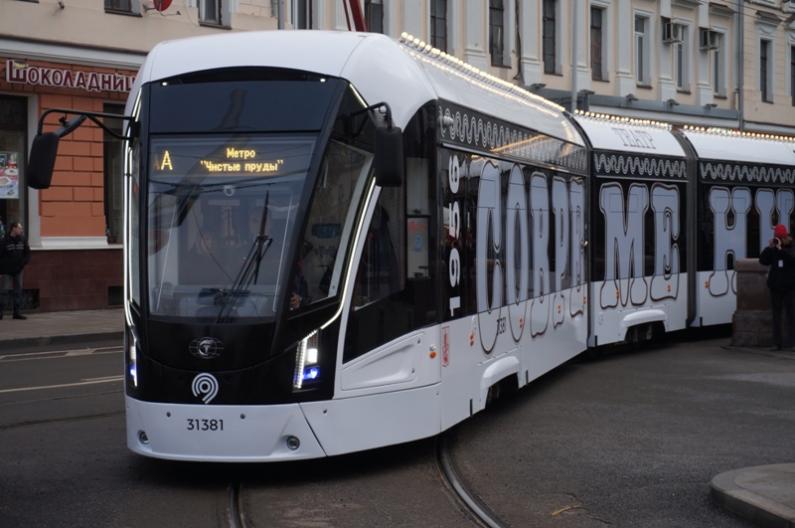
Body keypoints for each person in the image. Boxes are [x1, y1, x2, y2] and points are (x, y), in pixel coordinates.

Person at [758, 223, 795, 350]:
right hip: (775, 287)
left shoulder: (791, 246)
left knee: (791, 315)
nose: (777, 239)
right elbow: (762, 260)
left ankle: (792, 343)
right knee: (776, 316)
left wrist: (781, 250)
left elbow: (792, 260)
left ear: (784, 237)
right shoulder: (773, 248)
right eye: (776, 237)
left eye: (779, 237)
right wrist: (769, 248)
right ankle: (776, 343)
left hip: (789, 287)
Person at [0, 222, 31, 320]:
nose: (21, 230)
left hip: (18, 270)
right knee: (4, 291)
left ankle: (17, 313)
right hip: (6, 270)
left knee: (18, 291)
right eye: (19, 228)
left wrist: (23, 263)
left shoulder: (23, 239)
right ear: (13, 228)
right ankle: (0, 313)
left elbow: (27, 253)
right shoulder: (4, 240)